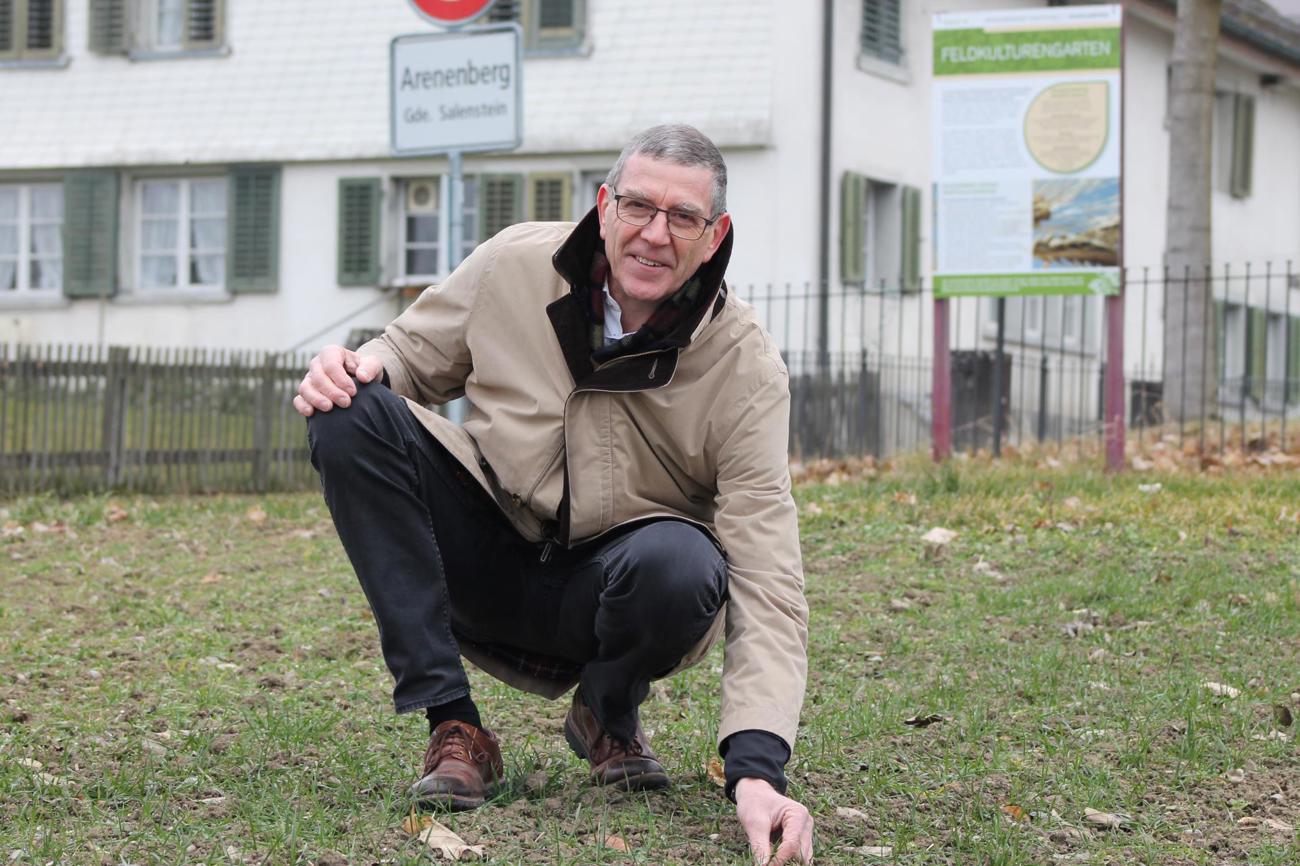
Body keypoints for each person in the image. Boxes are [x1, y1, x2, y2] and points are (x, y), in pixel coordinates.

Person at [295, 124, 812, 864]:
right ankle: (455, 724)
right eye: (637, 206)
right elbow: (405, 353)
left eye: (683, 217)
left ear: (715, 234)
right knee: (347, 410)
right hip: (485, 548)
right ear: (603, 206)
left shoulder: (745, 367)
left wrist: (756, 770)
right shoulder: (513, 263)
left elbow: (768, 571)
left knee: (685, 563)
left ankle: (607, 711)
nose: (655, 235)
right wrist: (350, 365)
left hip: (616, 590)